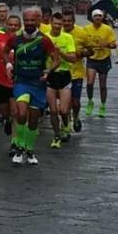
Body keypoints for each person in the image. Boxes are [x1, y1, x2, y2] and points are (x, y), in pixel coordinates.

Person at [8, 7, 61, 166]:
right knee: (21, 113)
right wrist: (9, 65)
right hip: (21, 81)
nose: (29, 23)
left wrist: (49, 70)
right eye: (27, 21)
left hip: (38, 83)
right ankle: (19, 147)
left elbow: (56, 60)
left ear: (38, 21)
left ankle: (29, 150)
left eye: (33, 20)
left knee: (33, 120)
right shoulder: (15, 38)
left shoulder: (44, 40)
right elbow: (4, 52)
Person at [46, 12, 78, 149]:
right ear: (51, 23)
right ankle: (56, 135)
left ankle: (66, 125)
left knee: (64, 111)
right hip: (50, 75)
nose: (58, 26)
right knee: (53, 110)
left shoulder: (67, 37)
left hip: (64, 75)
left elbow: (73, 58)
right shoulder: (45, 38)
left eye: (60, 24)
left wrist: (60, 53)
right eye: (56, 23)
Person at [79, 9, 117, 118]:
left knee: (102, 85)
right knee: (90, 83)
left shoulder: (107, 29)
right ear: (92, 18)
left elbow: (114, 44)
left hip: (104, 59)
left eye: (100, 16)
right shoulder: (86, 29)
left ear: (103, 17)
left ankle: (102, 105)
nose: (98, 18)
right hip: (92, 59)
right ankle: (90, 101)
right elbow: (82, 43)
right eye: (95, 16)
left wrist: (107, 45)